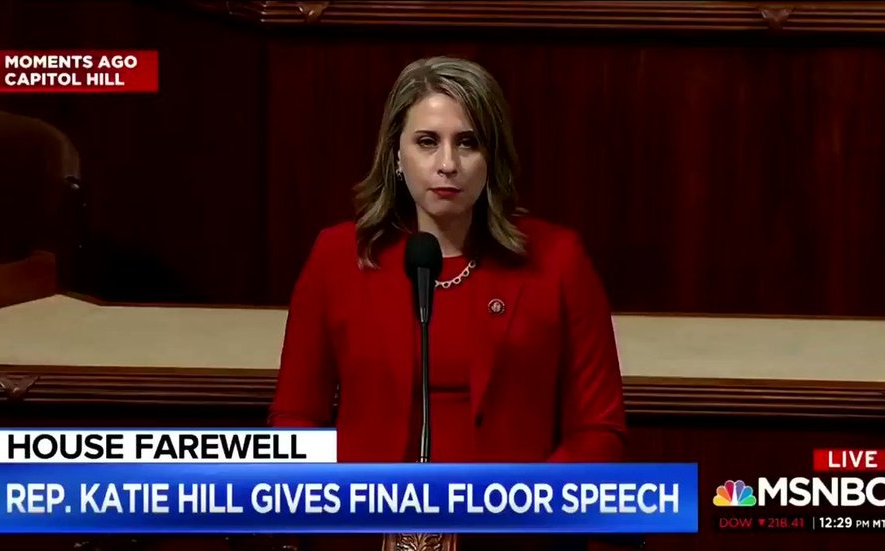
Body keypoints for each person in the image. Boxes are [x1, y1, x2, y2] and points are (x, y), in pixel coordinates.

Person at [269, 56, 628, 550]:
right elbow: (295, 420)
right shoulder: (337, 257)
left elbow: (598, 430)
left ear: (492, 157)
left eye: (468, 142)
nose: (448, 164)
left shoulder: (559, 261)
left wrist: (522, 513)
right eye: (426, 141)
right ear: (395, 155)